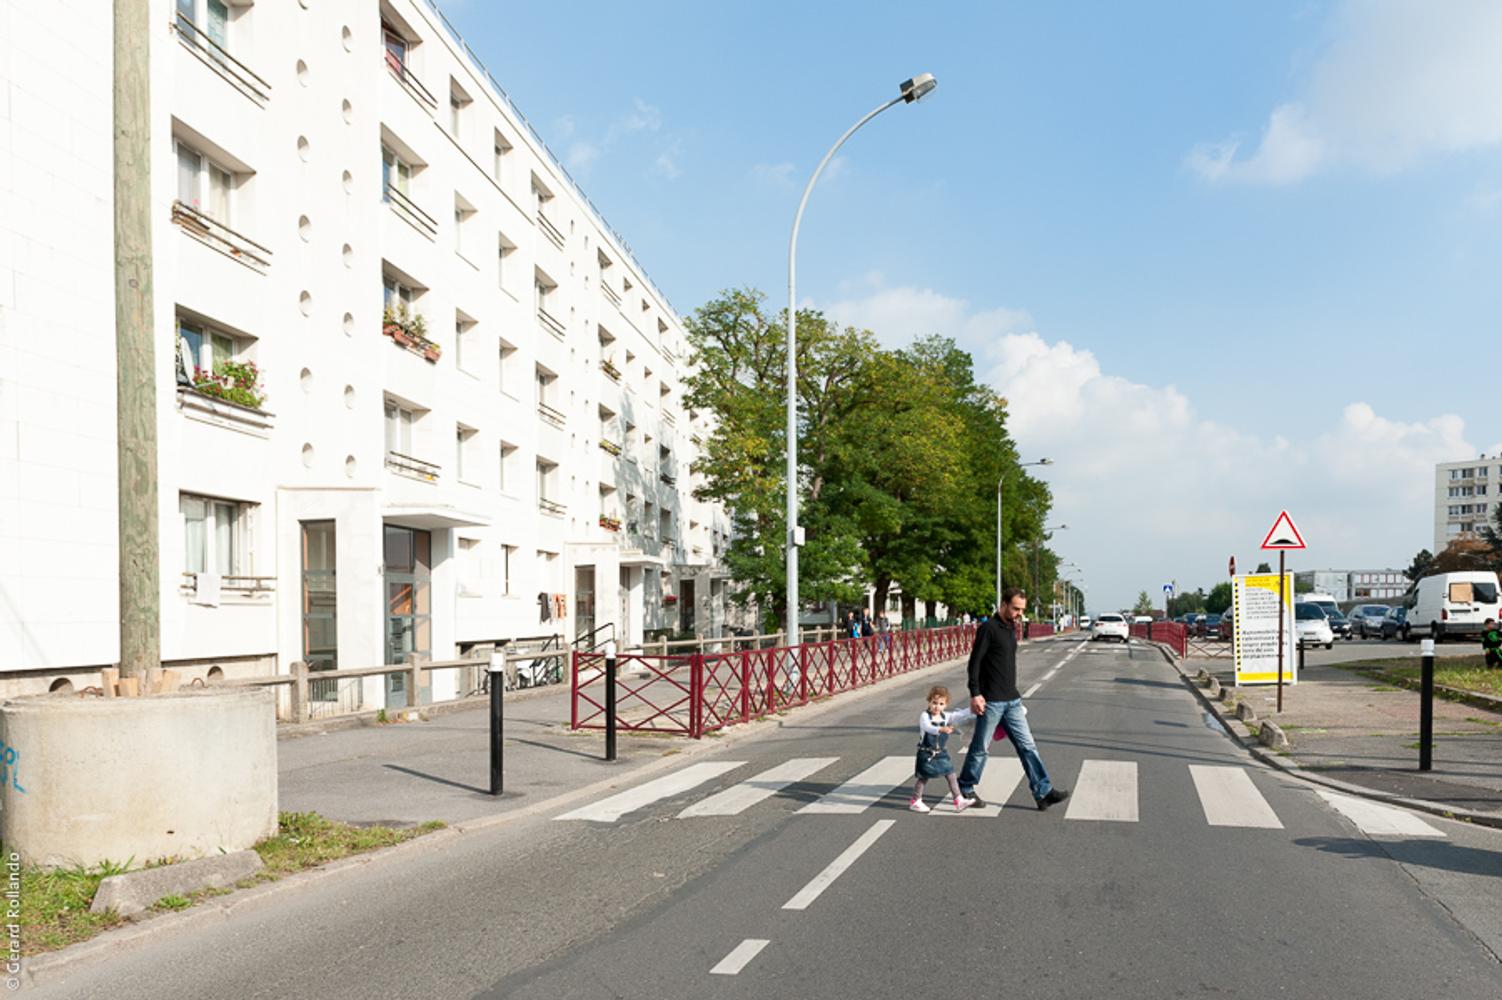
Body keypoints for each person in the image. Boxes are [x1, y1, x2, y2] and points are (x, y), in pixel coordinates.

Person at [957, 587, 1070, 811]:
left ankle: (1043, 792)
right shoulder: (988, 628)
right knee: (980, 748)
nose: (1019, 614)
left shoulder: (1011, 628)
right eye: (1016, 609)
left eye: (1022, 610)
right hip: (991, 702)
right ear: (1004, 604)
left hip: (1012, 701)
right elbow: (974, 663)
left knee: (1028, 746)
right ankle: (966, 787)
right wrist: (975, 693)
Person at [910, 685, 976, 813]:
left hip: (941, 752)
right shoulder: (925, 716)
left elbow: (959, 714)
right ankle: (915, 801)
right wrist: (941, 729)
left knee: (951, 774)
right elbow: (928, 727)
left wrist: (972, 708)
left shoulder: (945, 716)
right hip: (926, 753)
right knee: (923, 777)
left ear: (945, 705)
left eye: (941, 704)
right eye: (934, 703)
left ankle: (959, 800)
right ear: (929, 702)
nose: (937, 706)